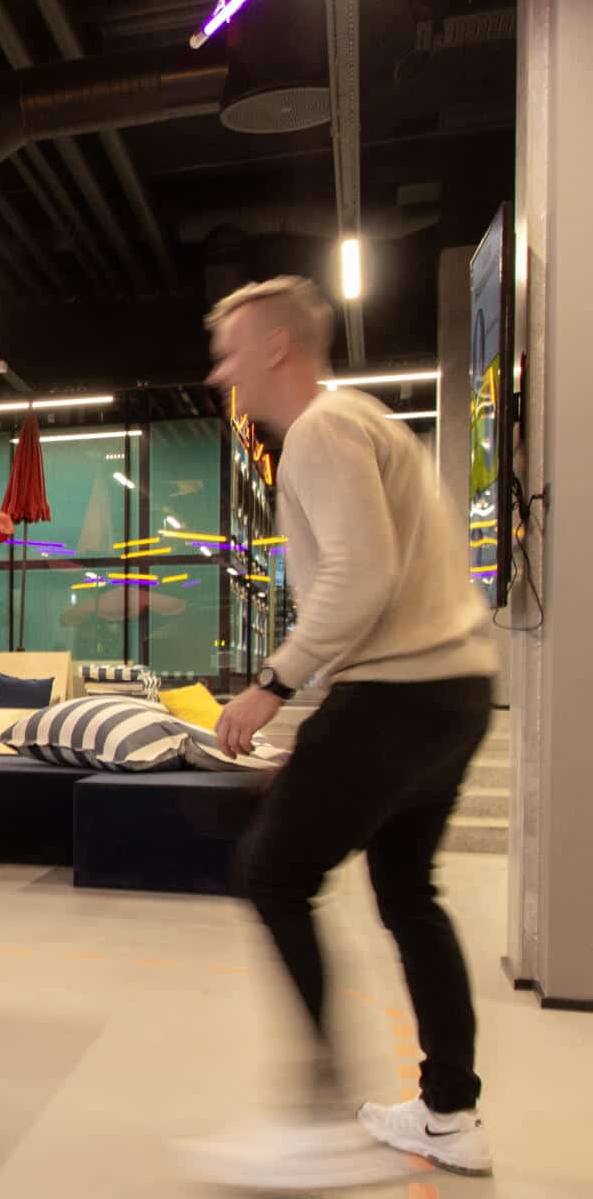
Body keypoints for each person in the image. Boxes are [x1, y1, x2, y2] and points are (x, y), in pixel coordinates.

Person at [182, 277, 499, 1188]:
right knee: (408, 893)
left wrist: (271, 689)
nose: (221, 372)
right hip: (454, 693)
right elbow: (386, 592)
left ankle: (319, 1120)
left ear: (279, 347)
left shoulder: (320, 429)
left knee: (272, 872)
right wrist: (326, 736)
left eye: (232, 351)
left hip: (400, 696)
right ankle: (450, 1114)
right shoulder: (366, 422)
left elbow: (359, 579)